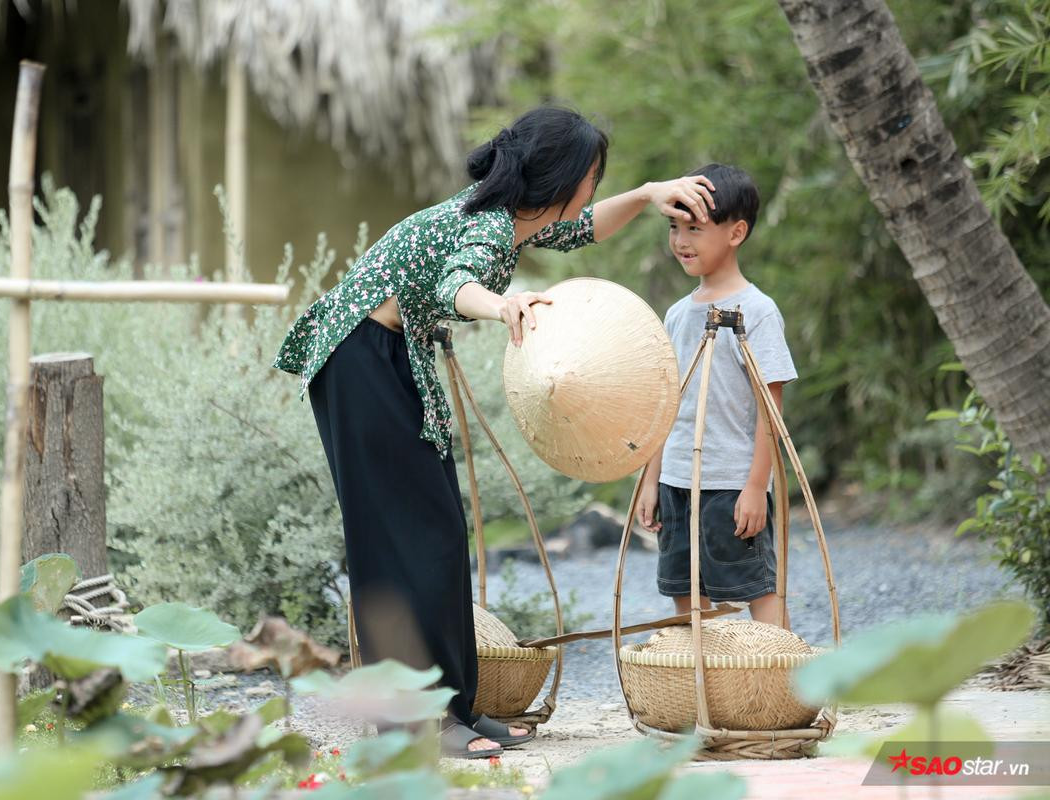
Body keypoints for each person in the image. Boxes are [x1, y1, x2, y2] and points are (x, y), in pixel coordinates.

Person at [274, 105, 715, 758]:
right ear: (563, 177)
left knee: (444, 533)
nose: (593, 188)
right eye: (593, 174)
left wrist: (650, 196)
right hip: (356, 356)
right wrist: (500, 303)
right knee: (404, 538)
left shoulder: (520, 220)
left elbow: (584, 229)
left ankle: (456, 708)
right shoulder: (488, 228)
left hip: (390, 354)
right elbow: (459, 282)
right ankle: (414, 722)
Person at [635, 163, 795, 628]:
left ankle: (789, 689)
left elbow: (772, 408)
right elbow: (665, 404)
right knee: (685, 599)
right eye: (674, 227)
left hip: (730, 481)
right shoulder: (677, 315)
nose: (681, 241)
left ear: (736, 232)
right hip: (677, 481)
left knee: (757, 592)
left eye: (695, 229)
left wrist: (754, 488)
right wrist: (650, 482)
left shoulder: (758, 312)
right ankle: (706, 694)